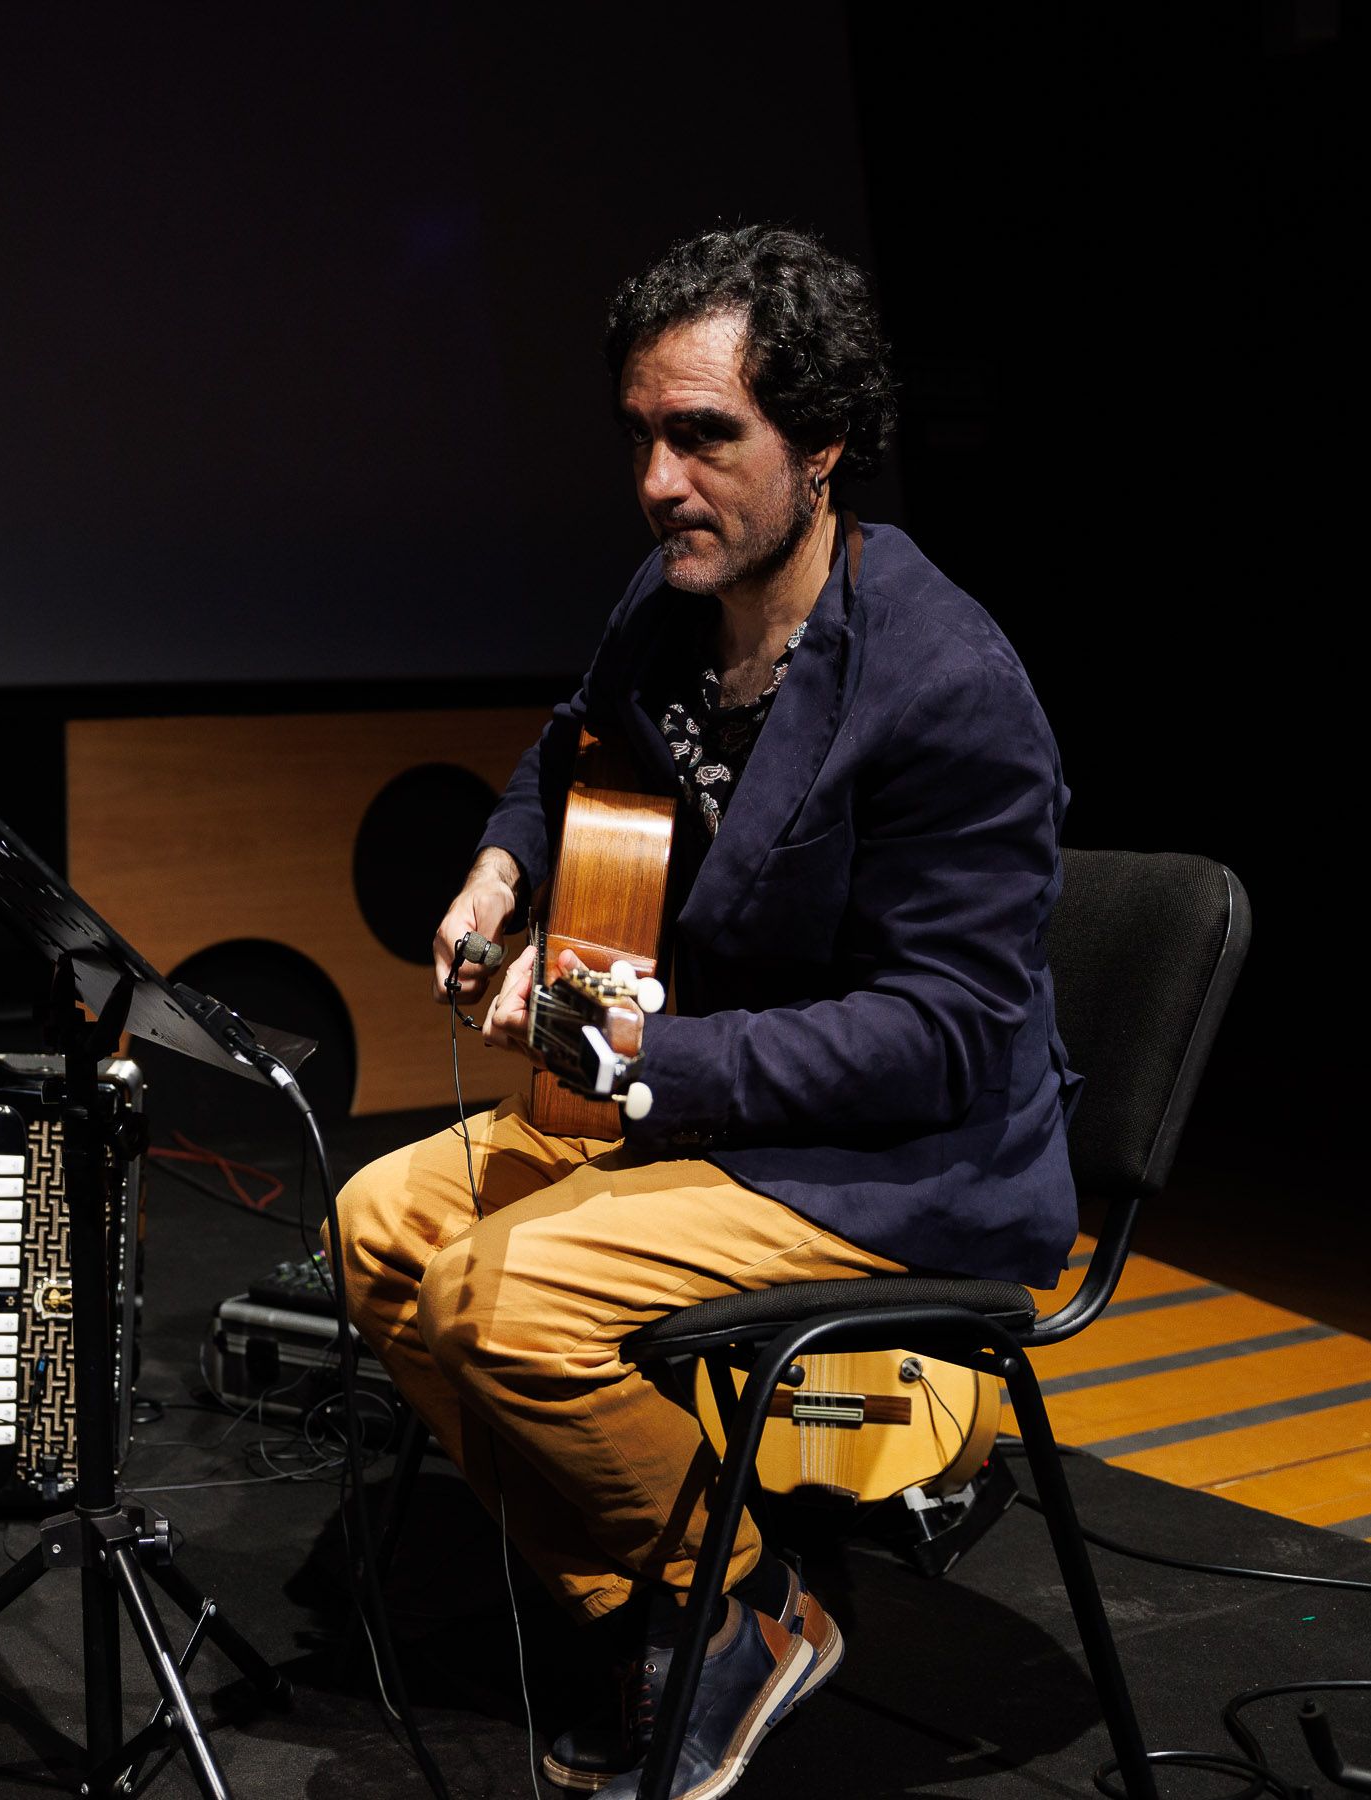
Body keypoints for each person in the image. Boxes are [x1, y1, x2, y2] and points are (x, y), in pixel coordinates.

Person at [335, 226, 1073, 1799]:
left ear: (820, 442)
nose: (659, 481)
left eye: (704, 437)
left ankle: (738, 1611)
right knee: (382, 1230)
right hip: (713, 1112)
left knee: (509, 1304)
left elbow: (940, 1036)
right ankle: (682, 1600)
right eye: (642, 437)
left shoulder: (946, 685)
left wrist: (640, 1056)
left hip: (897, 1166)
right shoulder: (672, 604)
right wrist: (500, 868)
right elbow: (566, 753)